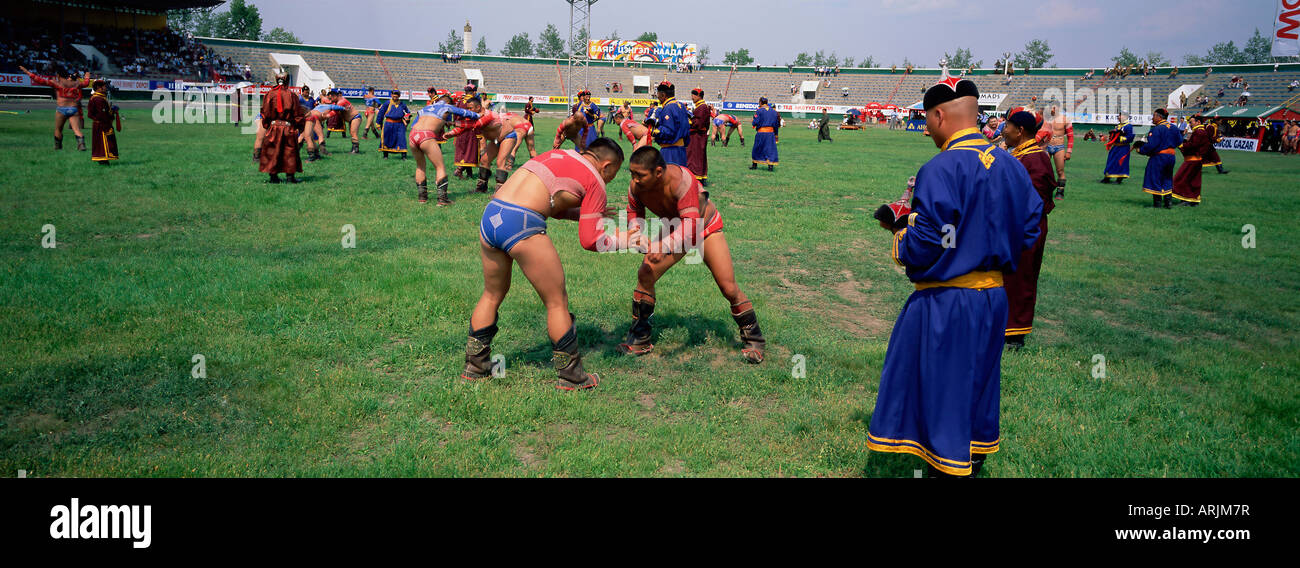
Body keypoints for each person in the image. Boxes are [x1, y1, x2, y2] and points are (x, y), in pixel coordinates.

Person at [866, 76, 1042, 478]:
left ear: (940, 114)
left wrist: (900, 235)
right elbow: (1030, 225)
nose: (925, 127)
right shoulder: (1011, 164)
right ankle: (972, 461)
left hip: (949, 300)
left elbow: (928, 242)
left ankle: (947, 468)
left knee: (942, 395)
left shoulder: (941, 167)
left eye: (927, 119)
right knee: (976, 388)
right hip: (994, 297)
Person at [462, 139, 634, 391]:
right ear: (606, 166)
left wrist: (583, 214)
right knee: (556, 302)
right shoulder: (595, 179)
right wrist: (625, 240)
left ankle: (475, 366)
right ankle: (572, 377)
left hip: (492, 214)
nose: (609, 179)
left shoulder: (556, 154)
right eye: (613, 174)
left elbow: (549, 202)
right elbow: (590, 240)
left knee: (491, 294)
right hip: (522, 223)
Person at [617, 146, 766, 363]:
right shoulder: (637, 187)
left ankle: (755, 339)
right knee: (646, 273)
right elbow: (634, 214)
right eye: (632, 174)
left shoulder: (682, 181)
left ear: (659, 172)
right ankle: (640, 337)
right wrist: (636, 233)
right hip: (676, 224)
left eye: (640, 175)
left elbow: (691, 227)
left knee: (728, 287)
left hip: (704, 226)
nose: (634, 180)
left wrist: (664, 245)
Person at [1000, 109, 1056, 350]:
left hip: (1026, 228)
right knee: (1006, 279)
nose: (1003, 130)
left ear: (1020, 131)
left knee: (1021, 279)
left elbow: (1035, 200)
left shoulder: (1037, 158)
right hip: (1010, 226)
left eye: (1007, 126)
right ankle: (1002, 326)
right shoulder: (1019, 154)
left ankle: (1015, 334)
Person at [447, 97, 539, 192]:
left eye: (471, 108)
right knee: (484, 160)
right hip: (495, 140)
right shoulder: (475, 116)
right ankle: (481, 188)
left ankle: (500, 191)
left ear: (478, 107)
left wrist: (455, 123)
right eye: (468, 109)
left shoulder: (488, 114)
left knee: (500, 162)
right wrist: (450, 133)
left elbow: (475, 125)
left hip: (507, 137)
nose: (469, 111)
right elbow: (465, 127)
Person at [408, 94, 479, 205]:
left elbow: (413, 124)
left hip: (413, 135)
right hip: (426, 135)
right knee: (440, 167)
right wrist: (479, 115)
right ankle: (442, 200)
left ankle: (422, 198)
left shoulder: (424, 109)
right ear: (448, 103)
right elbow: (465, 113)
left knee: (420, 166)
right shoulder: (446, 107)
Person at [20, 65, 92, 151]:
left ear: (58, 75)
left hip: (62, 109)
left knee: (58, 129)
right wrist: (87, 76)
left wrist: (28, 72)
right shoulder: (76, 83)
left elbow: (40, 80)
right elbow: (86, 83)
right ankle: (81, 144)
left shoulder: (56, 83)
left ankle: (58, 147)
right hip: (73, 108)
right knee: (76, 129)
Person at [258, 69, 307, 184]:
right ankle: (290, 178)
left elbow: (265, 112)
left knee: (273, 151)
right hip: (287, 128)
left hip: (274, 127)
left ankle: (273, 178)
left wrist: (267, 124)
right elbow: (297, 114)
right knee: (289, 152)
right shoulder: (291, 95)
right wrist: (300, 126)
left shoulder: (269, 94)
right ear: (287, 81)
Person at [1136, 108, 1181, 209]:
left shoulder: (1157, 129)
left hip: (1159, 157)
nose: (1152, 118)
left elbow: (1152, 145)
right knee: (1167, 178)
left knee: (1155, 178)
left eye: (1154, 116)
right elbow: (1179, 141)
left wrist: (1141, 150)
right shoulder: (1174, 128)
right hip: (1171, 156)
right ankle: (1168, 203)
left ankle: (1157, 204)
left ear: (1159, 117)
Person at [649, 81, 691, 167]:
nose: (657, 96)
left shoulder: (669, 108)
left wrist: (652, 130)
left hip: (670, 151)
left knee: (669, 178)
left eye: (658, 94)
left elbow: (669, 131)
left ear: (663, 95)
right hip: (681, 150)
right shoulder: (681, 105)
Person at [1036, 104, 1073, 199]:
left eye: (1055, 108)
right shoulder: (1043, 118)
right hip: (1045, 146)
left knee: (1060, 170)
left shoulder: (1065, 119)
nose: (1053, 109)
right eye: (1051, 107)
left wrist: (1069, 151)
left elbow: (1070, 136)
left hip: (1059, 147)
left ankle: (1060, 192)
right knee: (1043, 170)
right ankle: (1043, 191)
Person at [1172, 115, 1209, 207]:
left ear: (1198, 122)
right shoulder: (1200, 131)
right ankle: (1193, 199)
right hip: (1196, 160)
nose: (1190, 124)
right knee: (1193, 181)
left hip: (1192, 160)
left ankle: (1186, 199)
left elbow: (1193, 145)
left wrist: (1182, 145)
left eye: (1191, 122)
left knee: (1181, 179)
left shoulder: (1199, 132)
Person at [86, 79, 119, 165]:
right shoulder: (97, 99)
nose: (106, 88)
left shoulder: (100, 97)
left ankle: (103, 159)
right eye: (104, 86)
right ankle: (103, 159)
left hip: (101, 123)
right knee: (102, 142)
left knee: (103, 141)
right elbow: (101, 114)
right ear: (98, 87)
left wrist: (111, 110)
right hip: (101, 124)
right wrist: (108, 120)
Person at [453, 84, 482, 179]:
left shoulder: (459, 102)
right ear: (474, 92)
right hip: (471, 130)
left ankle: (469, 174)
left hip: (460, 129)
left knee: (464, 152)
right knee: (471, 152)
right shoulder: (473, 102)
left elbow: (455, 116)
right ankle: (459, 169)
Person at [686, 88, 712, 186]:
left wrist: (688, 120)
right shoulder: (701, 106)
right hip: (698, 135)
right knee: (698, 156)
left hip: (698, 136)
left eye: (693, 95)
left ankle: (697, 177)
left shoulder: (702, 107)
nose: (692, 97)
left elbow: (698, 123)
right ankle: (699, 176)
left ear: (698, 96)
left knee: (696, 156)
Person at [1100, 112, 1134, 183]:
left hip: (1123, 148)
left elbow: (1130, 138)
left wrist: (1120, 138)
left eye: (1119, 116)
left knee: (1121, 163)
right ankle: (1107, 177)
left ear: (1125, 117)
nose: (1118, 117)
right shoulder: (1118, 125)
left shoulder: (1129, 126)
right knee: (1111, 161)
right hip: (1115, 147)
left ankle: (1119, 179)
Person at [376, 90, 411, 158]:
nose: (395, 96)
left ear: (399, 96)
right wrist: (378, 123)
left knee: (401, 139)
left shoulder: (402, 104)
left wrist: (407, 119)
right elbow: (381, 113)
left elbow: (408, 113)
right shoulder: (387, 103)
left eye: (396, 94)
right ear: (391, 95)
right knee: (387, 139)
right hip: (388, 124)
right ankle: (385, 156)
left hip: (400, 124)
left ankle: (404, 156)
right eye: (393, 94)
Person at [750, 97, 780, 171]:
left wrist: (753, 120)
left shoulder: (759, 111)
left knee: (757, 148)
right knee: (770, 149)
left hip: (761, 133)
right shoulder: (774, 111)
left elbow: (755, 122)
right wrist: (776, 134)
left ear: (760, 102)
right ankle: (770, 166)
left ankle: (754, 165)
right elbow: (776, 124)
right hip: (770, 133)